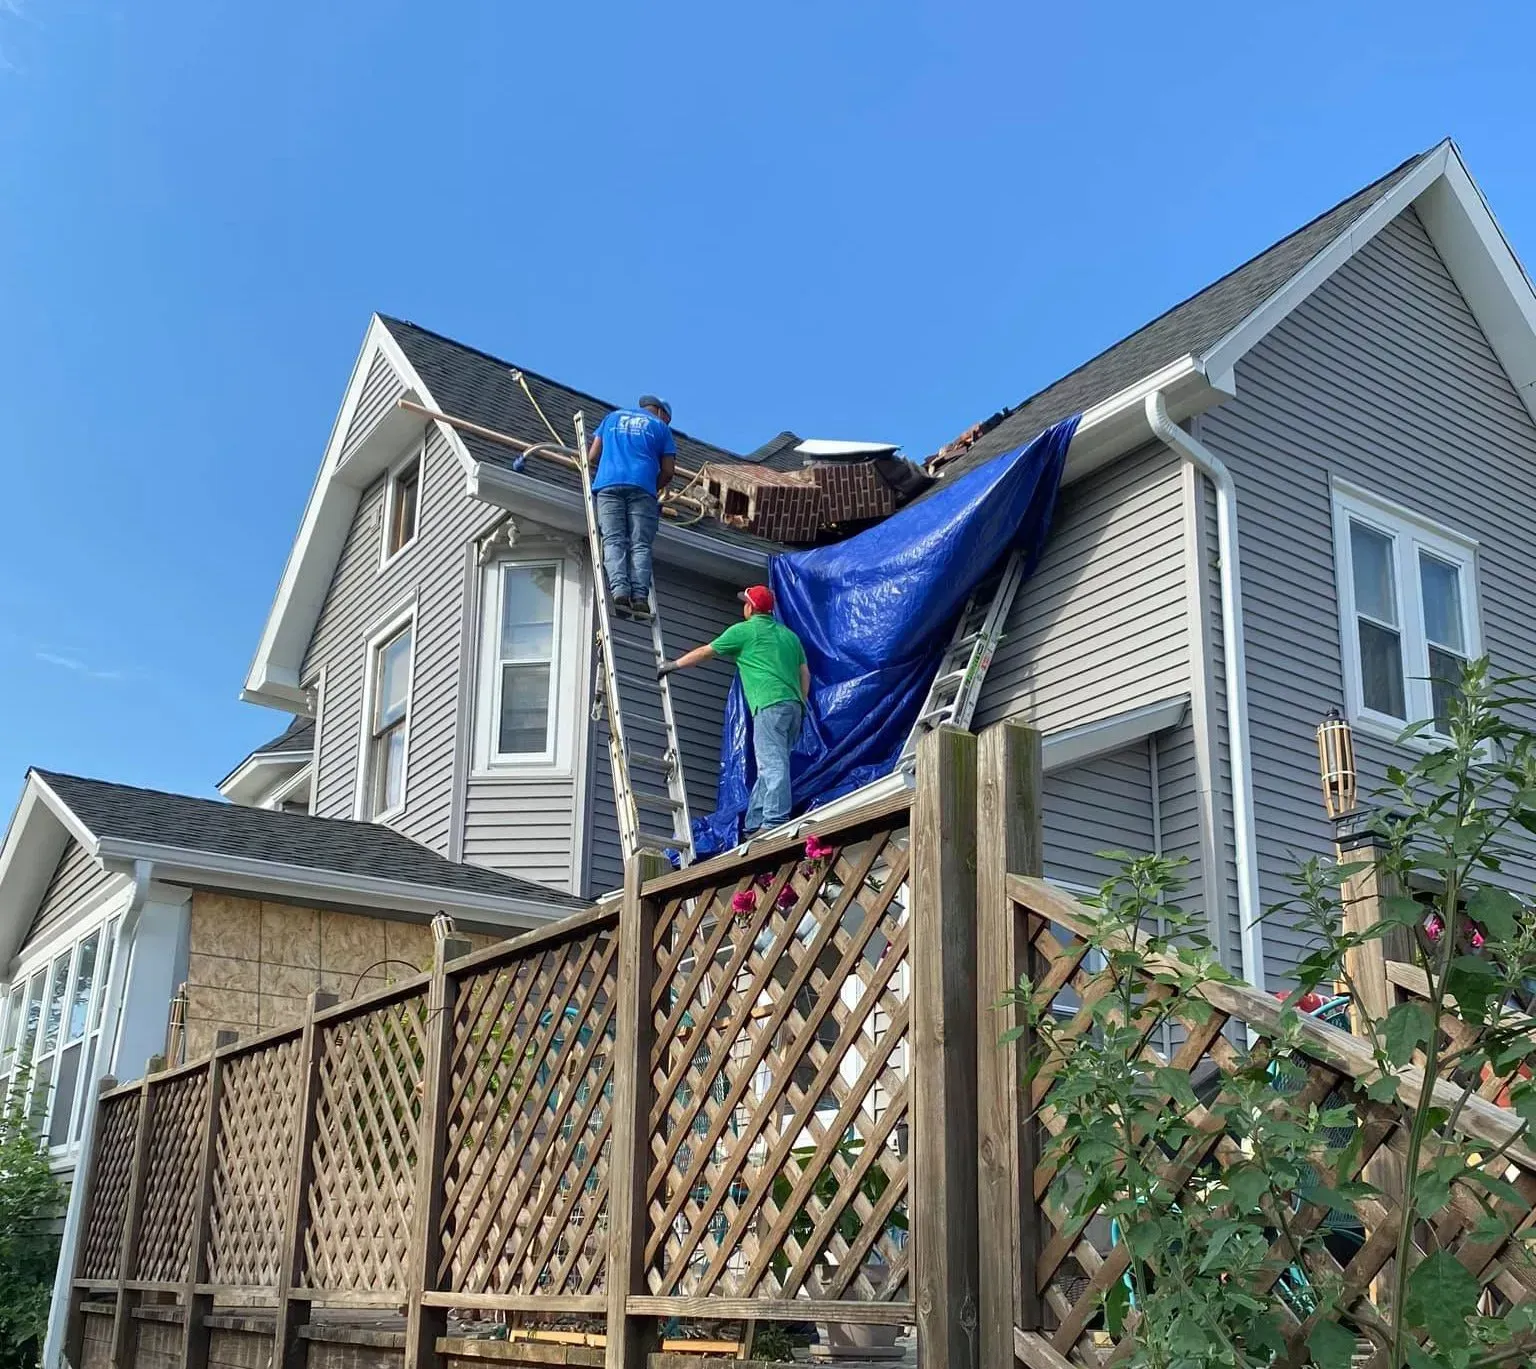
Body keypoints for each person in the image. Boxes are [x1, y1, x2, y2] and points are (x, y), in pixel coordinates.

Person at [660, 585, 810, 835]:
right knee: (772, 762)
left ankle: (774, 821)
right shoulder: (789, 636)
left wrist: (672, 665)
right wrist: (801, 703)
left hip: (769, 705)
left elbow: (705, 652)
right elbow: (805, 673)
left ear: (750, 608)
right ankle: (754, 823)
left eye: (745, 602)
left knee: (772, 764)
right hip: (793, 707)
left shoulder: (744, 632)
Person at [588, 395, 676, 614]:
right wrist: (652, 486)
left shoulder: (611, 418)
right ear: (660, 412)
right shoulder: (660, 427)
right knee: (640, 544)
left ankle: (619, 592)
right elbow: (668, 471)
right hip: (642, 488)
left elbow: (592, 456)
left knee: (613, 539)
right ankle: (639, 596)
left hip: (608, 484)